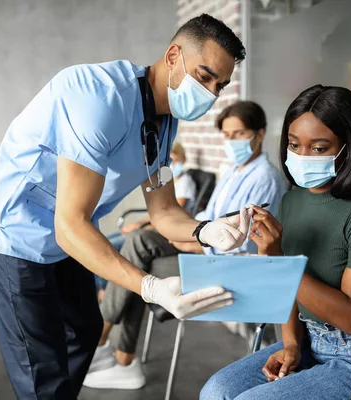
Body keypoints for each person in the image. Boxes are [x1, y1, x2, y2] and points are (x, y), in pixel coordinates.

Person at [0, 14, 248, 400]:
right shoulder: (98, 98)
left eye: (220, 85)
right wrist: (150, 286)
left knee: (83, 328)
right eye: (204, 76)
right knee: (41, 368)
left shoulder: (165, 123)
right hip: (14, 230)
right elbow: (70, 226)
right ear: (172, 56)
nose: (211, 93)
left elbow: (164, 211)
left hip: (66, 231)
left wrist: (205, 230)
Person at [200, 85, 351, 400]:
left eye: (319, 148)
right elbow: (288, 290)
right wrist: (291, 343)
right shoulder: (292, 200)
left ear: (349, 148)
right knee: (216, 391)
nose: (302, 156)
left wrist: (278, 262)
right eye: (294, 144)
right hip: (311, 340)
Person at [83, 100, 287, 390]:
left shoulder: (265, 178)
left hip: (229, 262)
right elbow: (207, 217)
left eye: (239, 134)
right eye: (227, 135)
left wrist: (199, 246)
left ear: (260, 134)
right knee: (140, 240)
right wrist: (191, 233)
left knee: (141, 264)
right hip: (205, 245)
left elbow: (251, 242)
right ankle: (118, 353)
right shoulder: (233, 171)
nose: (231, 141)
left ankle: (110, 346)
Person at [96, 141, 197, 300]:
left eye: (175, 160)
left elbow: (172, 214)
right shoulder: (169, 181)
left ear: (183, 159)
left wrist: (140, 227)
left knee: (111, 247)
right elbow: (158, 212)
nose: (172, 165)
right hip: (155, 225)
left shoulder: (185, 183)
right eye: (169, 161)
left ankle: (103, 291)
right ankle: (101, 290)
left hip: (167, 229)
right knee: (103, 242)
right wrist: (138, 224)